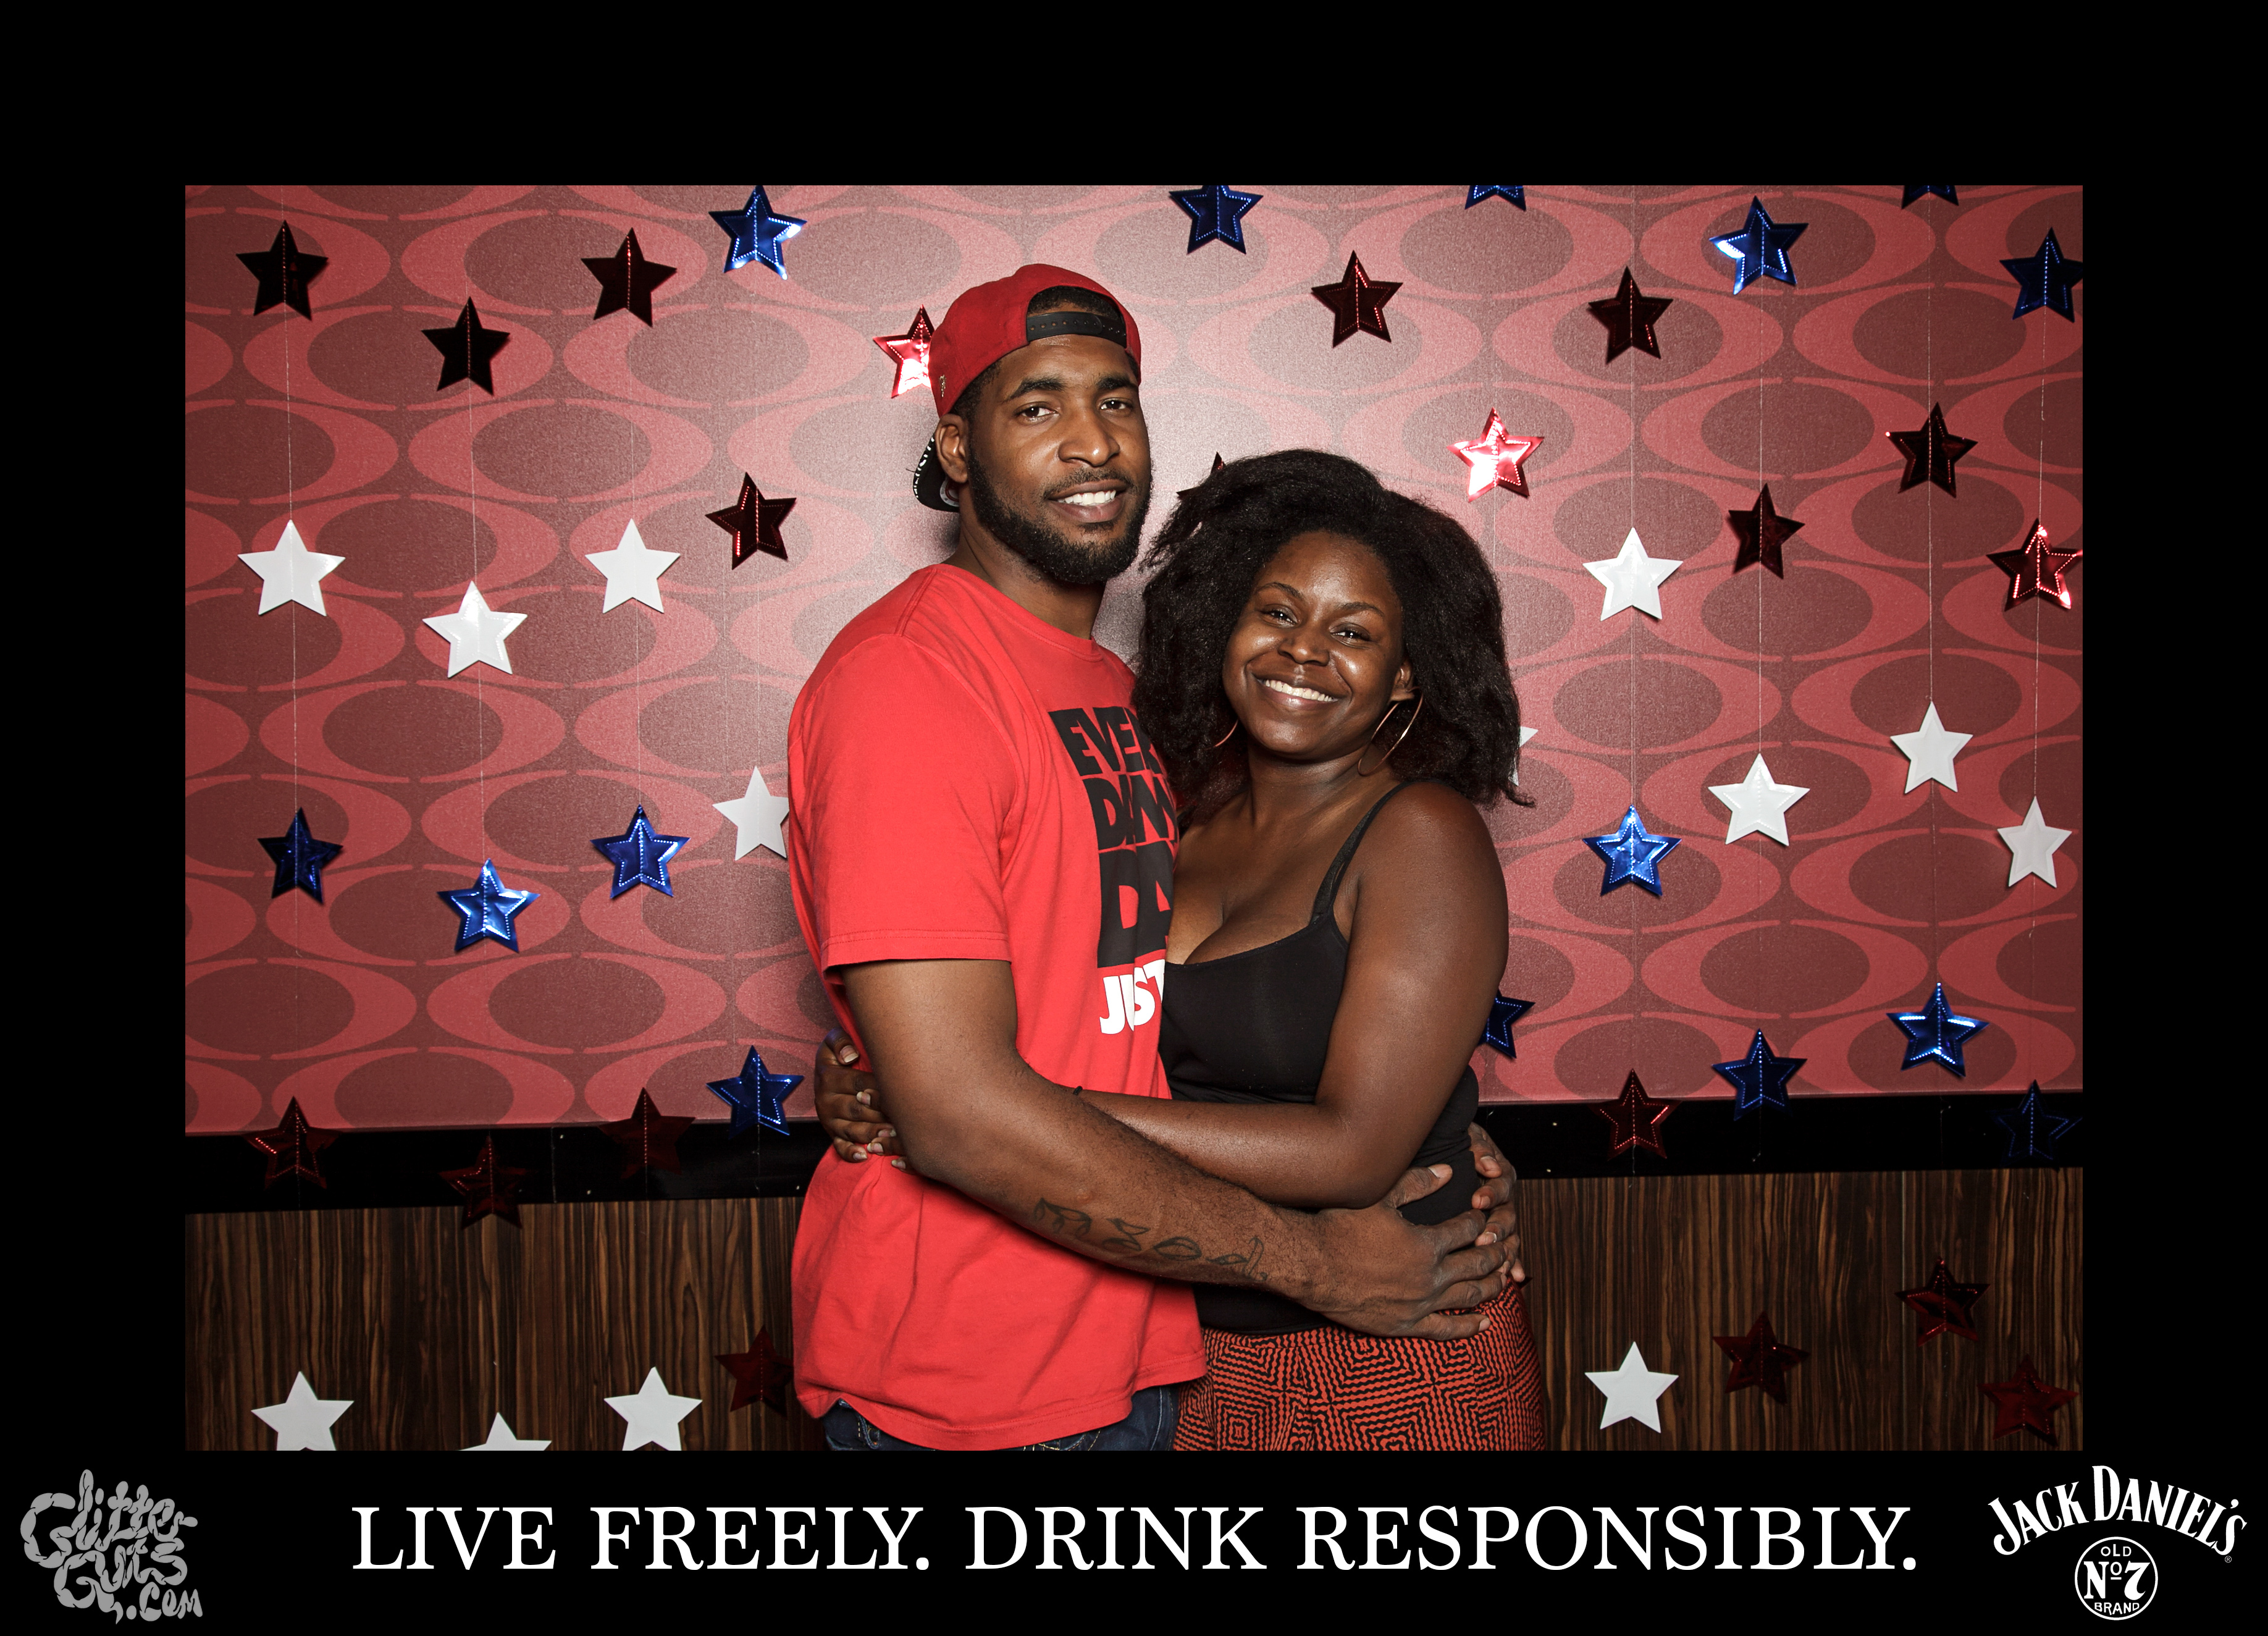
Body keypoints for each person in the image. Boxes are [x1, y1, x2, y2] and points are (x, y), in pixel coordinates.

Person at [784, 265, 1518, 1453]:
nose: (1092, 442)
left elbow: (1123, 1022)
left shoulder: (1123, 707)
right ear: (958, 449)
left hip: (1145, 1349)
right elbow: (962, 1108)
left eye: (1116, 401)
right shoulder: (908, 682)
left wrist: (1447, 1143)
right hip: (977, 1380)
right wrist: (924, 1098)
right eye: (1038, 406)